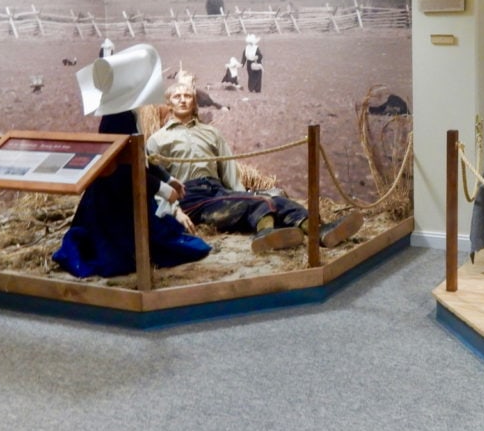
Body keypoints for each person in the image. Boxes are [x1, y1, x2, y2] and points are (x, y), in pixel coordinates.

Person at [53, 44, 212, 278]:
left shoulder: (126, 113)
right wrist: (163, 188)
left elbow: (139, 155)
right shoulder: (117, 118)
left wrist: (167, 177)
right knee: (151, 249)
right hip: (113, 200)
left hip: (125, 192)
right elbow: (123, 169)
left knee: (172, 238)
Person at [146, 81, 362, 252]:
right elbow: (154, 182)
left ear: (194, 102)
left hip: (218, 191)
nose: (183, 101)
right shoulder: (157, 140)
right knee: (258, 202)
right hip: (190, 198)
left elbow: (228, 169)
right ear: (169, 103)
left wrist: (239, 193)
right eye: (177, 97)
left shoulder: (211, 133)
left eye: (188, 97)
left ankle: (320, 230)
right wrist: (174, 211)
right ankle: (266, 235)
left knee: (277, 199)